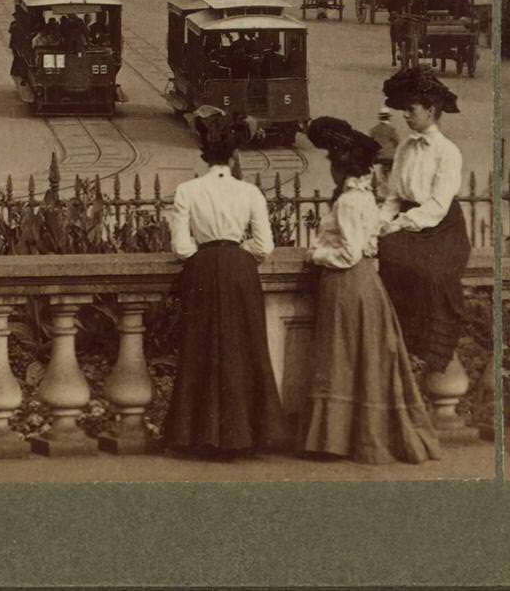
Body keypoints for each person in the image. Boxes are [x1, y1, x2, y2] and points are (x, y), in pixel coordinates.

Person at [300, 117, 441, 464]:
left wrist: (315, 253)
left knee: (342, 355)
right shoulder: (365, 199)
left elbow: (347, 253)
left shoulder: (348, 202)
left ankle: (336, 440)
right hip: (368, 285)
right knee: (364, 359)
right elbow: (372, 239)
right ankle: (357, 436)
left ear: (340, 169)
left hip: (346, 284)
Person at [163, 107, 284, 458]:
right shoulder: (249, 193)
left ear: (203, 153)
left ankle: (195, 434)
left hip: (202, 268)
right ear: (233, 155)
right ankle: (246, 435)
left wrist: (206, 253)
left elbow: (182, 247)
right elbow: (264, 246)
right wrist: (238, 251)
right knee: (245, 347)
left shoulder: (188, 190)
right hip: (241, 270)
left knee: (200, 347)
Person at [376, 69, 469, 374]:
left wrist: (400, 223)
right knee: (387, 254)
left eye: (411, 109)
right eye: (404, 108)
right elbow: (392, 197)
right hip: (407, 219)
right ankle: (399, 343)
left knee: (430, 275)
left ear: (430, 110)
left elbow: (438, 205)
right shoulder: (404, 147)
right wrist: (380, 224)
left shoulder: (447, 152)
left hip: (440, 227)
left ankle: (428, 352)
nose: (405, 115)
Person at [368, 105, 401, 197]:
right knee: (390, 179)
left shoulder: (374, 130)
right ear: (388, 117)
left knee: (379, 179)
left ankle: (381, 196)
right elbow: (398, 142)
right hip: (390, 158)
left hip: (377, 158)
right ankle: (389, 196)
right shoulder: (391, 130)